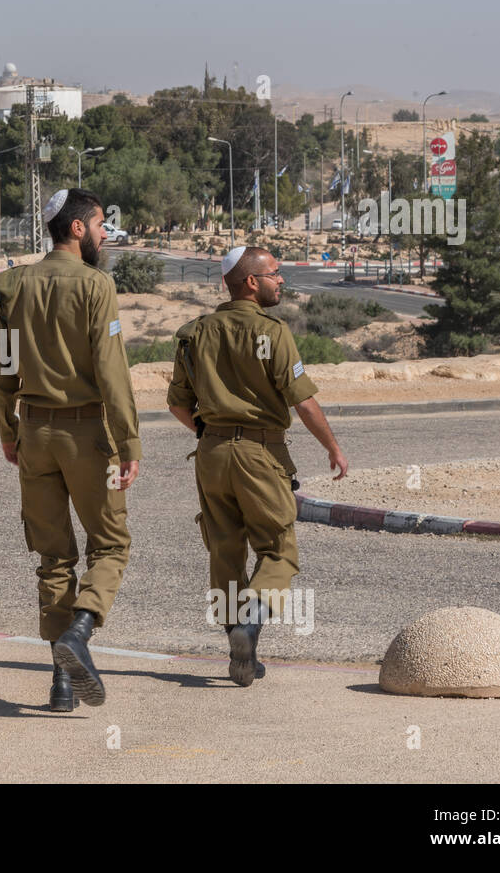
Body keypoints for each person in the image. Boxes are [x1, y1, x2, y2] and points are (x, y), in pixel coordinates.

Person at [0, 188, 140, 711]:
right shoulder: (97, 285)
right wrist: (129, 439)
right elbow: (111, 371)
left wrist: (8, 429)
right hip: (88, 435)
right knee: (111, 546)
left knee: (53, 559)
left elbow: (0, 366)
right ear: (77, 228)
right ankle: (80, 630)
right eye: (99, 225)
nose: (103, 234)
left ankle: (62, 683)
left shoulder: (13, 285)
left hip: (34, 432)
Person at [167, 245, 348, 687]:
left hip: (210, 455)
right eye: (274, 274)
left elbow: (176, 403)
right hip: (260, 454)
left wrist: (209, 433)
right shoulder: (272, 331)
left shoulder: (195, 333)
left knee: (224, 549)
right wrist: (332, 446)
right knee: (278, 549)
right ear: (251, 282)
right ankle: (249, 626)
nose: (280, 281)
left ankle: (239, 648)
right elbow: (302, 400)